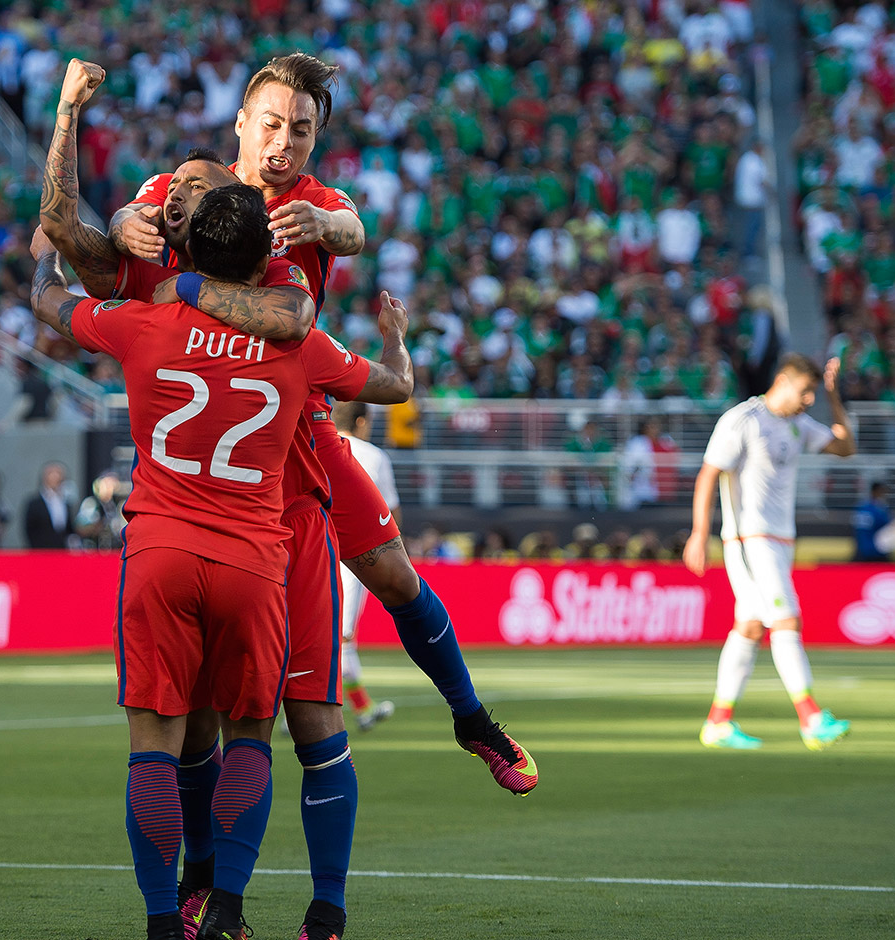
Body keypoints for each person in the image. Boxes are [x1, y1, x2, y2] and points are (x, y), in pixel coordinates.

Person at [46, 56, 533, 940]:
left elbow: (347, 229)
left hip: (296, 431)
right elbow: (121, 224)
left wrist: (328, 227)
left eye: (301, 129)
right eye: (270, 123)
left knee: (386, 574)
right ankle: (210, 888)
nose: (282, 143)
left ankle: (473, 720)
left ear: (315, 136)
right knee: (223, 717)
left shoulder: (312, 200)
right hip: (227, 468)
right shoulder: (181, 191)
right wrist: (122, 220)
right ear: (240, 121)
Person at [31, 181, 414, 940]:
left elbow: (53, 306)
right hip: (253, 562)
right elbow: (393, 386)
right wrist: (397, 339)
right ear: (267, 255)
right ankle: (228, 908)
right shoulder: (296, 340)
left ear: (189, 252)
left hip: (160, 550)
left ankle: (162, 923)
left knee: (155, 749)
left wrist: (43, 259)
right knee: (249, 738)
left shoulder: (141, 324)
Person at [685, 355, 858, 751]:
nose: (809, 399)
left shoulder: (797, 424)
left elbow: (846, 448)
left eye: (815, 392)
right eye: (806, 391)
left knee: (748, 628)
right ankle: (811, 718)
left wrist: (834, 397)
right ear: (782, 381)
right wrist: (699, 533)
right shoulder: (743, 420)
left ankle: (718, 723)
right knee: (786, 620)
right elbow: (709, 472)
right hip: (750, 539)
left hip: (779, 541)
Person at [330, 400, 397, 733]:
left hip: (312, 551)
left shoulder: (316, 447)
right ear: (361, 422)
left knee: (325, 635)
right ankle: (301, 707)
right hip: (355, 557)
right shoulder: (373, 455)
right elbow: (391, 510)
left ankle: (361, 707)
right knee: (342, 638)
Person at [23, 461, 77, 548]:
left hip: (61, 551)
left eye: (59, 474)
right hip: (41, 551)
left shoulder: (65, 502)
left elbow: (68, 529)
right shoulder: (34, 503)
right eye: (52, 473)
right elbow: (29, 529)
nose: (56, 477)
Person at [76, 471, 129, 550]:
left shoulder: (114, 505)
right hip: (94, 549)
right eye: (107, 484)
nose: (110, 487)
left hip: (112, 548)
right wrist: (97, 527)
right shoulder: (91, 503)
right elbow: (80, 528)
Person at [851, 482, 893, 562]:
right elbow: (886, 527)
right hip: (876, 551)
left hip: (861, 549)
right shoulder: (878, 510)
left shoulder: (861, 507)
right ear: (876, 491)